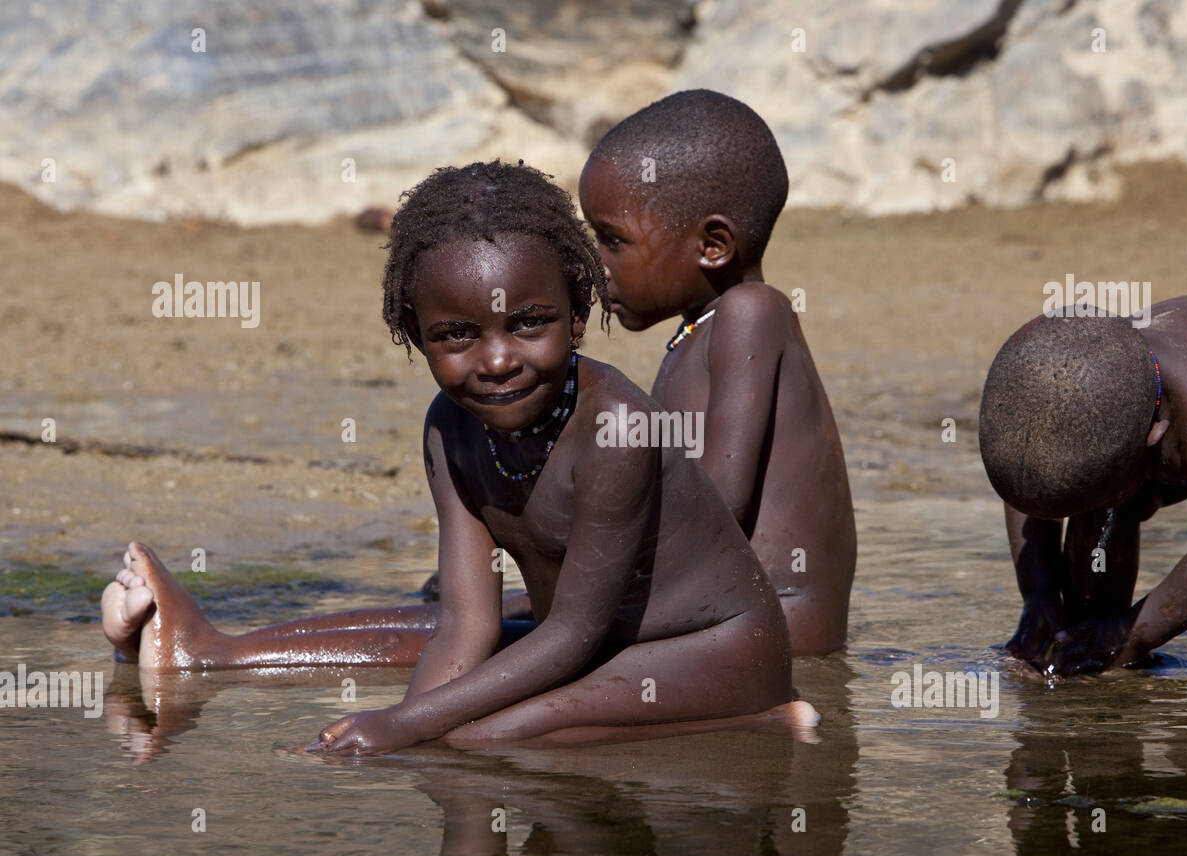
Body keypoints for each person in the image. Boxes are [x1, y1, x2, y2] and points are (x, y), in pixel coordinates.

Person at [101, 160, 811, 752]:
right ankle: (210, 653)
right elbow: (466, 624)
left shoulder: (615, 427)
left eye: (531, 323)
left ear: (579, 305)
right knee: (442, 738)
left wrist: (407, 724)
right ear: (413, 333)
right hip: (606, 650)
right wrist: (383, 725)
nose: (499, 359)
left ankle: (754, 718)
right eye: (457, 335)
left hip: (718, 649)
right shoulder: (449, 427)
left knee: (472, 744)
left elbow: (572, 632)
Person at [576, 89, 857, 655]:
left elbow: (718, 505)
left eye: (612, 240)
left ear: (713, 244)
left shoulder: (751, 313)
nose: (594, 264)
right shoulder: (699, 331)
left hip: (769, 633)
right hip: (713, 614)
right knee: (483, 622)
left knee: (493, 647)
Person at [978, 294, 1187, 678]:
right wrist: (1039, 597)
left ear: (1155, 433)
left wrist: (1128, 636)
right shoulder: (1078, 395)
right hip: (1177, 407)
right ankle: (1087, 653)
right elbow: (1030, 486)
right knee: (1098, 504)